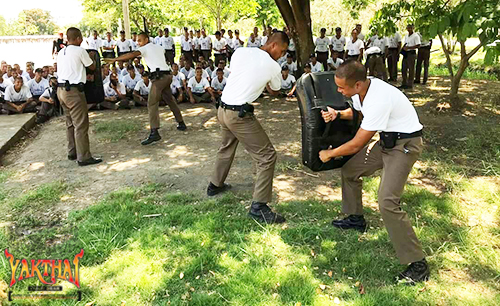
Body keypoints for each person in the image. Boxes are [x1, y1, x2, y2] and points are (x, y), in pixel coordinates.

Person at [318, 60, 429, 285]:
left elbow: (357, 144)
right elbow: (357, 113)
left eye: (342, 88)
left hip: (404, 145)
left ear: (357, 84)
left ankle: (418, 264)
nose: (339, 91)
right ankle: (355, 218)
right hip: (387, 141)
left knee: (387, 202)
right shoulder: (362, 92)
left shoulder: (379, 98)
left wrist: (329, 155)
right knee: (350, 170)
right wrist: (338, 115)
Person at [207, 31, 289, 224]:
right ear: (274, 45)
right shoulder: (273, 66)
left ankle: (215, 185)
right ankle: (259, 206)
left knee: (226, 147)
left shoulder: (240, 52)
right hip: (239, 115)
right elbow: (275, 91)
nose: (282, 55)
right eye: (282, 51)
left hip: (222, 110)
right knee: (267, 156)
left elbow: (241, 75)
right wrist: (268, 81)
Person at [103, 32, 187, 145]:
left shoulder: (145, 48)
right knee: (170, 100)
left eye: (140, 40)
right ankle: (181, 122)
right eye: (137, 40)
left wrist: (114, 60)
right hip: (167, 75)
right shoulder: (159, 47)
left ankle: (154, 132)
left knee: (152, 103)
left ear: (146, 40)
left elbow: (131, 55)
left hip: (159, 78)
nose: (138, 42)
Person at [57, 27, 101, 166]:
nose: (82, 40)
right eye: (80, 38)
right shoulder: (80, 51)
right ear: (77, 38)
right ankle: (84, 157)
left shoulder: (61, 52)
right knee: (81, 125)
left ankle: (72, 151)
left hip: (61, 90)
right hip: (74, 92)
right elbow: (92, 67)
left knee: (70, 123)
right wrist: (93, 58)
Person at [400, 24, 421, 90]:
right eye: (408, 28)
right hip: (406, 53)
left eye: (410, 28)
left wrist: (409, 47)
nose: (409, 29)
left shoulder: (416, 36)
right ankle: (404, 83)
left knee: (411, 69)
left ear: (413, 28)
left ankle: (410, 84)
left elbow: (418, 45)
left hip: (411, 53)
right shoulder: (406, 36)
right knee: (404, 68)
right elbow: (406, 43)